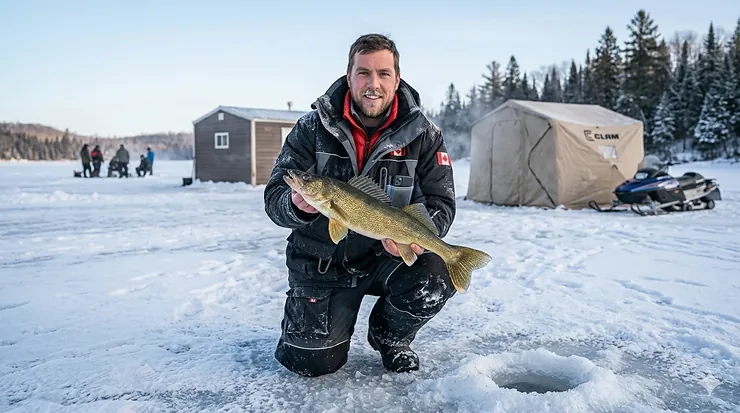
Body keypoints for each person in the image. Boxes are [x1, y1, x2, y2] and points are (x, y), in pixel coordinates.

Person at [264, 33, 456, 377]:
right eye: (364, 73)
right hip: (323, 263)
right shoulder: (311, 128)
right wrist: (295, 205)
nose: (373, 84)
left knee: (436, 275)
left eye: (383, 74)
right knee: (310, 363)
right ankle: (331, 326)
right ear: (349, 75)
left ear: (396, 79)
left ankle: (390, 337)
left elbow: (441, 202)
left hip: (387, 258)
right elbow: (275, 196)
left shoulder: (425, 134)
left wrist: (414, 238)